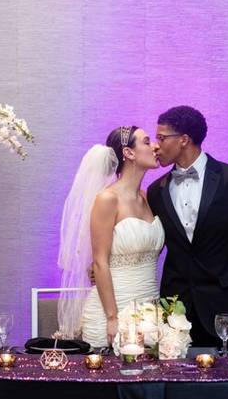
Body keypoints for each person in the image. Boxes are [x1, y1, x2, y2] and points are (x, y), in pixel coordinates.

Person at [147, 106, 228, 347]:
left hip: (226, 307)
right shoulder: (156, 190)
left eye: (161, 138)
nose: (155, 145)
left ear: (184, 139)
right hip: (176, 309)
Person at [57, 126, 164, 347]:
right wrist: (113, 318)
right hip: (113, 311)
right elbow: (100, 261)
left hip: (149, 309)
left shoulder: (147, 197)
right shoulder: (107, 199)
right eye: (146, 141)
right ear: (129, 153)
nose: (155, 146)